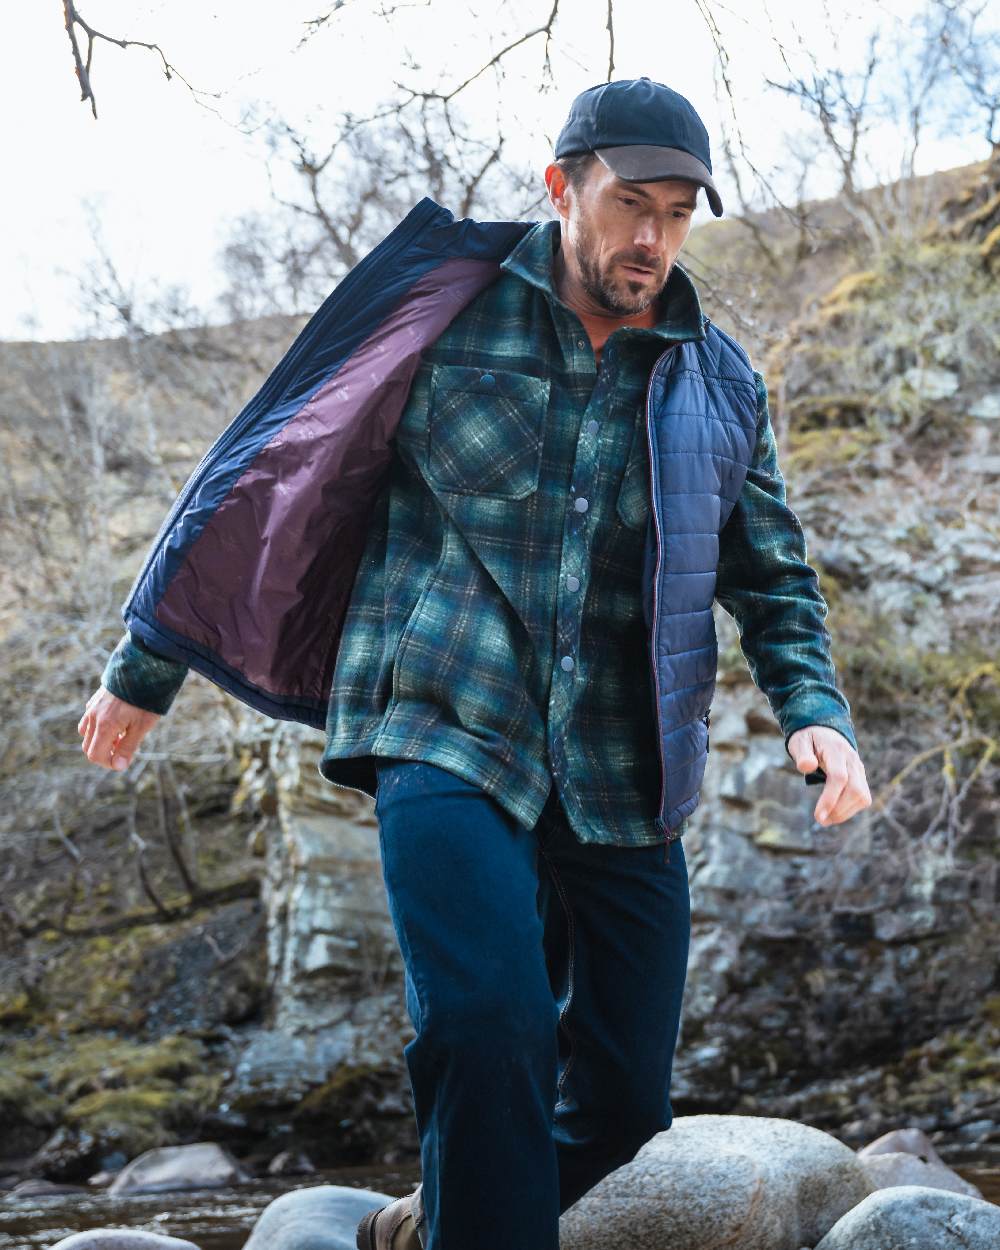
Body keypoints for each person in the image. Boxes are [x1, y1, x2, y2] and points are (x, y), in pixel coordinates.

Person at [78, 78, 872, 1250]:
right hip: (442, 712)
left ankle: (436, 1224)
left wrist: (816, 707)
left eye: (676, 213)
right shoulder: (438, 314)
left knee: (620, 1101)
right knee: (485, 1020)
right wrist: (146, 662)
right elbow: (271, 456)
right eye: (627, 201)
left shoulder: (720, 383)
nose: (650, 235)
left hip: (620, 755)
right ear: (562, 187)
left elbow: (773, 574)